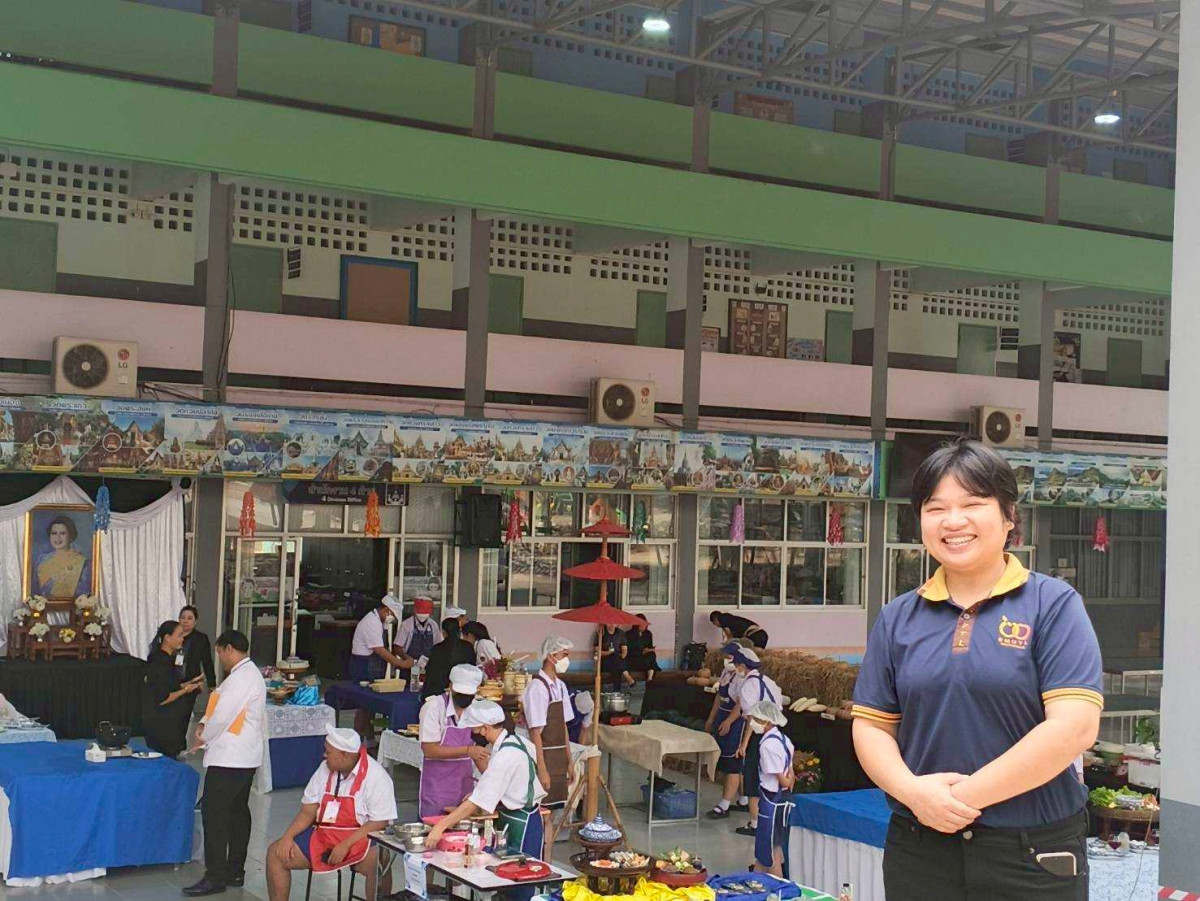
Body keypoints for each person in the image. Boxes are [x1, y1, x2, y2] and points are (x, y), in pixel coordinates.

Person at [852, 439, 1103, 901]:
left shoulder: (1053, 605)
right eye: (936, 508)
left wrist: (959, 800)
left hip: (1032, 853)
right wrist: (914, 793)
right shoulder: (897, 617)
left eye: (972, 504)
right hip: (920, 848)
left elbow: (1074, 728)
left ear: (1009, 516)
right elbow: (872, 726)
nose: (953, 521)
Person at [426, 701, 549, 899]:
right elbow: (509, 782)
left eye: (474, 729)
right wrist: (482, 791)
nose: (472, 733)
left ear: (485, 728)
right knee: (507, 883)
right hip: (517, 817)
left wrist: (441, 826)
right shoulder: (517, 740)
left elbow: (476, 803)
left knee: (519, 885)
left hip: (522, 824)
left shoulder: (505, 755)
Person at [265, 725, 397, 901]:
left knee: (380, 863)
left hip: (360, 838)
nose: (324, 755)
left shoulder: (376, 776)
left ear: (345, 755)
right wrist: (288, 837)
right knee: (275, 854)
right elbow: (308, 811)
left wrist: (346, 845)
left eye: (328, 752)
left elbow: (379, 822)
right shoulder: (324, 769)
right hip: (324, 835)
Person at [184, 630, 267, 897]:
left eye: (220, 652)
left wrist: (202, 737)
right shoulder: (246, 674)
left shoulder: (242, 677)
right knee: (237, 811)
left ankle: (216, 875)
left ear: (229, 649)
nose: (220, 658)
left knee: (215, 813)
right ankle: (234, 870)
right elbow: (218, 709)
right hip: (242, 756)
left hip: (231, 757)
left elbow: (221, 716)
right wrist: (203, 723)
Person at [418, 663, 489, 818]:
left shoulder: (476, 710)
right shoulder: (433, 707)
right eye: (461, 694)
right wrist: (467, 751)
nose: (465, 699)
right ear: (450, 687)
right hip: (437, 786)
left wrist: (491, 779)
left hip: (464, 782)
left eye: (469, 695)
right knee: (435, 825)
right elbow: (429, 750)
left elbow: (479, 752)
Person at [733, 646, 782, 838]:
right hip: (775, 731)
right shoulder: (768, 681)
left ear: (742, 666)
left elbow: (751, 719)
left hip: (758, 734)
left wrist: (744, 744)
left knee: (753, 778)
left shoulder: (748, 686)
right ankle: (770, 821)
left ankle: (755, 824)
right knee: (771, 777)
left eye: (736, 664)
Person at [522, 635, 575, 808]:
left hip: (558, 756)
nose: (567, 660)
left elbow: (563, 726)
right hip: (542, 755)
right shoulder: (537, 688)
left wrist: (569, 761)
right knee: (541, 807)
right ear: (551, 656)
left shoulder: (560, 686)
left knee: (554, 808)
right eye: (564, 655)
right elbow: (535, 732)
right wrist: (542, 768)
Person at [348, 596, 407, 741]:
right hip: (363, 665)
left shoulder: (380, 621)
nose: (391, 619)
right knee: (363, 704)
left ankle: (369, 739)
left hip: (372, 664)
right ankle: (358, 739)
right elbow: (380, 649)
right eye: (392, 616)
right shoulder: (371, 622)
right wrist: (400, 663)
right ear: (386, 610)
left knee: (371, 705)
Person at [747, 700, 795, 878]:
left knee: (770, 852)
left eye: (756, 719)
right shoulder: (785, 740)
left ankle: (779, 885)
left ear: (767, 721)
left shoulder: (767, 746)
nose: (752, 722)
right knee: (765, 849)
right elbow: (790, 772)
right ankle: (754, 881)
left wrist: (787, 781)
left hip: (772, 801)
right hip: (783, 799)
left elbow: (782, 780)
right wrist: (789, 781)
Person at [143, 620, 204, 759]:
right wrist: (186, 689)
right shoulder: (160, 662)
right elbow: (163, 698)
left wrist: (192, 683)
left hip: (171, 723)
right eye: (179, 635)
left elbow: (171, 685)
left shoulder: (168, 659)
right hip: (162, 725)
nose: (182, 639)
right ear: (167, 638)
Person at [706, 641, 750, 819]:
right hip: (722, 715)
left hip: (736, 721)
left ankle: (724, 804)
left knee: (733, 761)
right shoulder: (726, 672)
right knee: (727, 760)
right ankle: (744, 799)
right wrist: (712, 718)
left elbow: (740, 704)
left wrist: (729, 722)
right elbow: (719, 696)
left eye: (729, 656)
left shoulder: (743, 677)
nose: (726, 659)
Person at [34, 515, 91, 598]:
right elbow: (36, 591)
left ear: (71, 536)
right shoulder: (42, 560)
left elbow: (83, 594)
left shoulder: (82, 562)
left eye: (63, 533)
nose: (58, 537)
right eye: (54, 533)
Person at [420, 617, 475, 701]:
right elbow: (472, 668)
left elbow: (430, 671)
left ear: (444, 632)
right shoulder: (467, 647)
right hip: (462, 690)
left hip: (438, 691)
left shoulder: (437, 648)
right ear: (459, 630)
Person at [179, 605, 216, 700]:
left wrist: (211, 684)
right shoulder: (173, 636)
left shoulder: (201, 639)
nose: (185, 621)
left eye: (189, 618)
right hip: (173, 682)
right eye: (183, 618)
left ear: (195, 621)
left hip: (193, 682)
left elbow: (207, 662)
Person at [393, 597, 441, 667]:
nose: (422, 616)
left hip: (428, 666)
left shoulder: (433, 625)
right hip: (409, 665)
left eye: (425, 613)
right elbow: (397, 647)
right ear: (414, 610)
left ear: (430, 612)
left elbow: (439, 646)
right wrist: (407, 658)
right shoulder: (406, 625)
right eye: (420, 612)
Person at [596, 623, 634, 690]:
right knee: (615, 657)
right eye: (609, 622)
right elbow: (597, 651)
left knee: (616, 667)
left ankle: (616, 691)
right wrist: (609, 653)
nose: (611, 624)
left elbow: (624, 650)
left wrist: (621, 659)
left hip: (618, 660)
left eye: (614, 623)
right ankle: (627, 676)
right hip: (605, 660)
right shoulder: (601, 632)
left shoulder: (620, 633)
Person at [625, 614, 660, 683]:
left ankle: (650, 675)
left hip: (646, 658)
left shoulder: (648, 633)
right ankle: (650, 671)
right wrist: (641, 652)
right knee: (649, 662)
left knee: (652, 655)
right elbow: (628, 651)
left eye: (644, 624)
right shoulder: (628, 634)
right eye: (641, 625)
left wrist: (650, 649)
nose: (643, 627)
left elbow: (649, 646)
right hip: (635, 658)